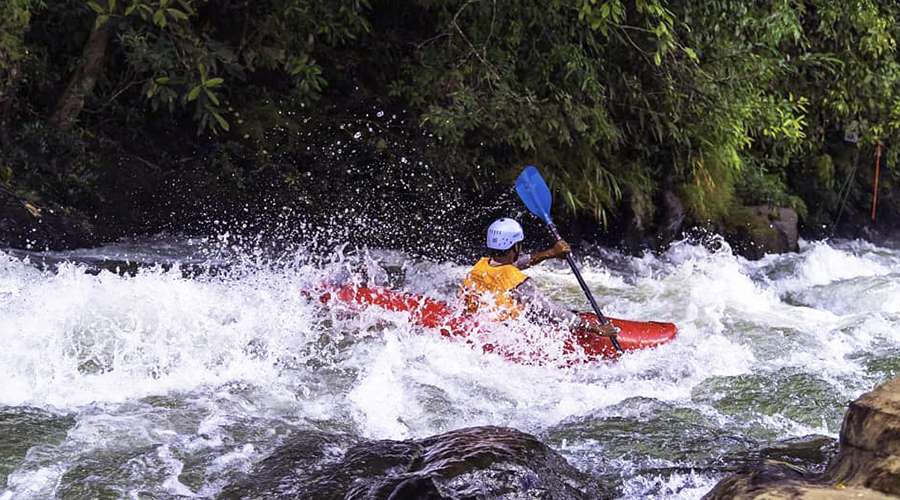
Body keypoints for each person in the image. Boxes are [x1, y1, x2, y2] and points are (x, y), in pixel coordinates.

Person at [460, 218, 619, 337]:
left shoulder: (480, 266)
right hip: (507, 334)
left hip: (480, 326)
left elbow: (509, 267)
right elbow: (550, 312)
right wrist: (593, 328)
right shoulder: (519, 282)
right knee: (557, 312)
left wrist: (550, 253)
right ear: (515, 246)